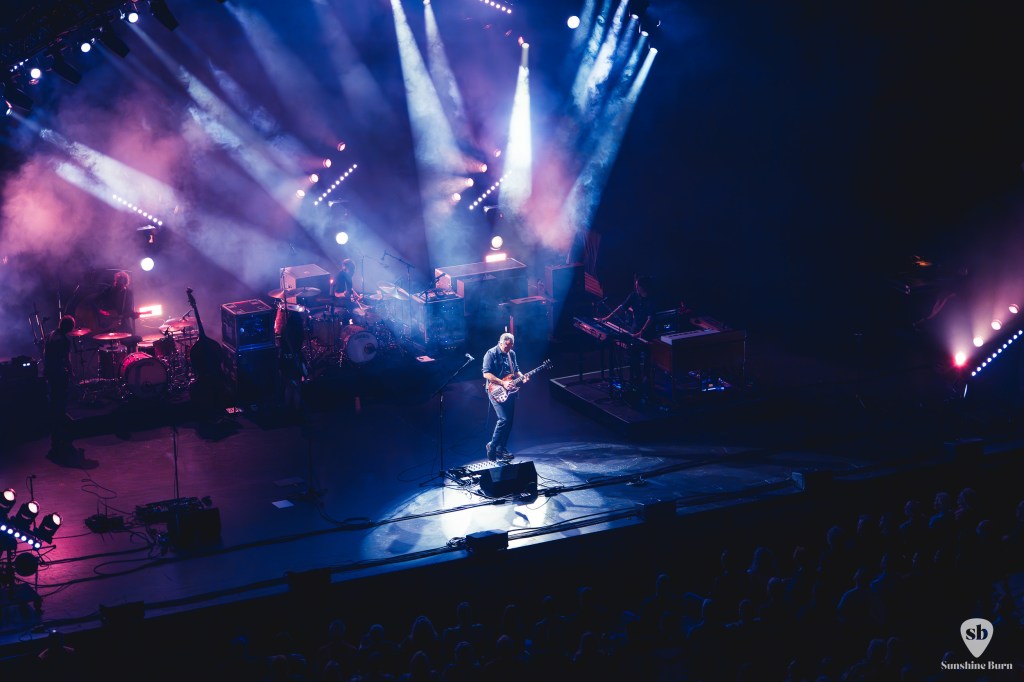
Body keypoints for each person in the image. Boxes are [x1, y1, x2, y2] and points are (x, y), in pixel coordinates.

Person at [482, 332, 528, 462]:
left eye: (510, 346)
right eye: (506, 346)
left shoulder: (511, 353)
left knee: (509, 422)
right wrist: (502, 383)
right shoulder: (490, 353)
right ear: (500, 342)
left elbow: (516, 370)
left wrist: (522, 376)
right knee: (503, 419)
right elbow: (486, 374)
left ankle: (501, 448)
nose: (508, 349)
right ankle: (492, 445)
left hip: (510, 390)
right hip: (495, 389)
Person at [43, 315, 76, 459]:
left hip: (50, 371)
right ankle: (61, 431)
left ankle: (55, 431)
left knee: (54, 399)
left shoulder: (50, 335)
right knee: (61, 400)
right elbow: (66, 360)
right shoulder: (64, 340)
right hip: (59, 374)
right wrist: (71, 372)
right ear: (70, 328)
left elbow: (46, 354)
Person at [94, 270, 140, 336]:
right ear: (116, 282)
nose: (120, 286)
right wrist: (100, 312)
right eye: (119, 283)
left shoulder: (128, 293)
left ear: (125, 283)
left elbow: (128, 309)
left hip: (123, 322)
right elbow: (95, 301)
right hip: (108, 322)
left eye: (122, 284)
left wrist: (133, 315)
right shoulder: (108, 291)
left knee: (131, 339)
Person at [331, 258, 362, 326]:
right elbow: (336, 294)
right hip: (340, 304)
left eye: (353, 270)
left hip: (347, 302)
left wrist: (356, 295)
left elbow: (350, 288)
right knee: (355, 316)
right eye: (351, 270)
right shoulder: (340, 277)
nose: (353, 272)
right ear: (345, 269)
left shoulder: (348, 275)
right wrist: (344, 294)